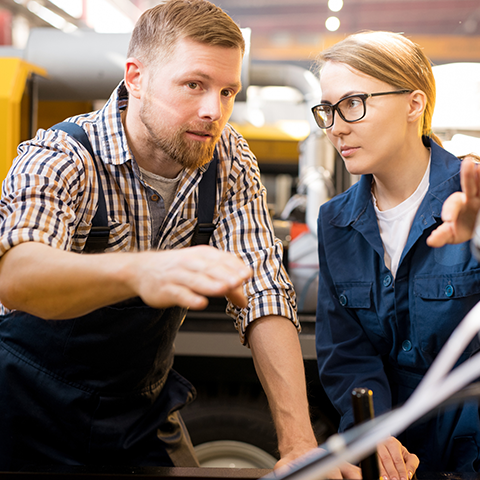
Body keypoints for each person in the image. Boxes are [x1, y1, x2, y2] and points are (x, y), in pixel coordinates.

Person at [0, 0, 362, 475]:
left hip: (139, 412)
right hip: (22, 410)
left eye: (228, 90)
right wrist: (140, 268)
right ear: (136, 77)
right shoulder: (62, 156)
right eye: (194, 85)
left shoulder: (228, 158)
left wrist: (298, 444)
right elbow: (16, 275)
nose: (214, 110)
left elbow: (264, 293)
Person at [313, 30, 480, 476]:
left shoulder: (472, 197)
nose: (337, 126)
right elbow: (346, 353)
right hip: (394, 463)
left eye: (352, 103)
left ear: (414, 103)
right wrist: (372, 431)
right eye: (327, 110)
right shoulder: (336, 223)